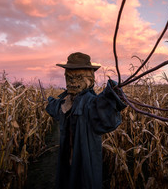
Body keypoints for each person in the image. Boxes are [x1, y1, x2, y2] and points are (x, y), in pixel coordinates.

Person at [45, 52, 126, 189]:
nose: (72, 82)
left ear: (90, 79)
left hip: (85, 160)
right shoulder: (66, 100)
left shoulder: (90, 102)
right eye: (69, 77)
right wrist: (52, 103)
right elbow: (54, 107)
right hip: (67, 157)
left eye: (78, 77)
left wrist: (112, 95)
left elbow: (105, 116)